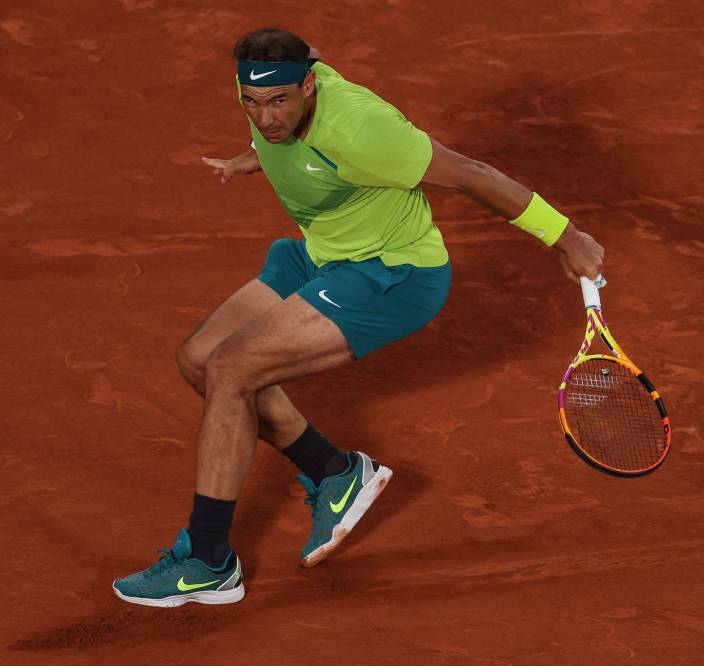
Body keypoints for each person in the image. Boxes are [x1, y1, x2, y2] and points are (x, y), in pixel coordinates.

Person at [112, 27, 604, 607]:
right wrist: (258, 157)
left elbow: (473, 174)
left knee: (233, 368)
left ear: (309, 86)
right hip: (323, 251)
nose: (265, 116)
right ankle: (335, 473)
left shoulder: (366, 132)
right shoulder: (269, 78)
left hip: (391, 275)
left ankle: (207, 561)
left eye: (279, 103)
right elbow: (281, 108)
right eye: (252, 102)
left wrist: (566, 237)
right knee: (199, 359)